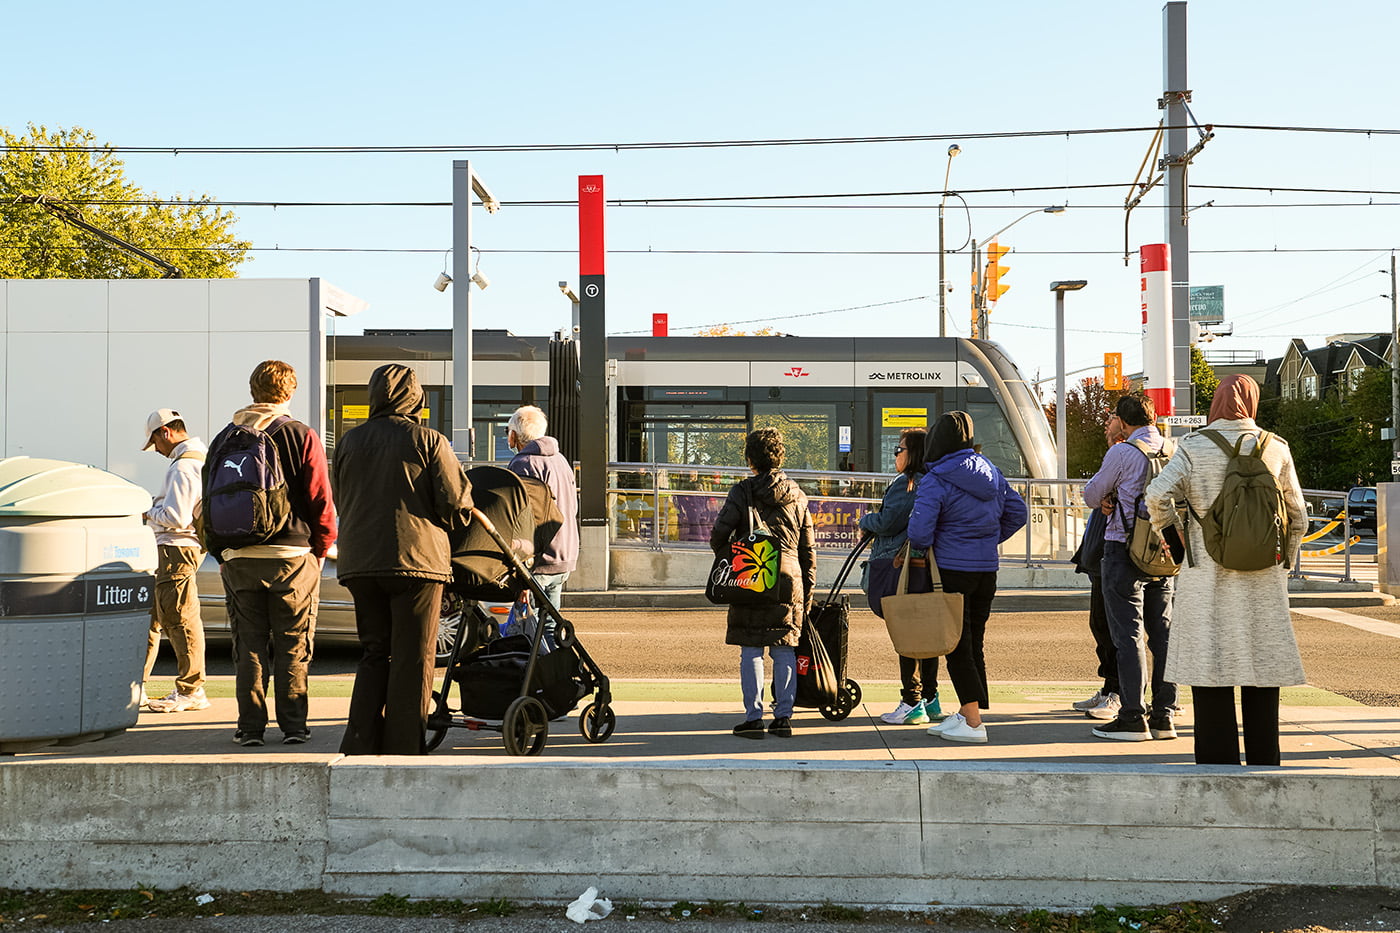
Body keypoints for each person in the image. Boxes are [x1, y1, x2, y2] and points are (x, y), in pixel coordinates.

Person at [1144, 374, 1307, 765]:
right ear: (1252, 402)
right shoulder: (1276, 449)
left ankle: (1217, 770)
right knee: (1262, 671)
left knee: (1210, 668)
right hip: (1264, 580)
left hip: (1207, 578)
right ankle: (1265, 765)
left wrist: (1178, 541)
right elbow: (1298, 517)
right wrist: (1283, 562)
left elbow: (1156, 494)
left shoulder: (1193, 447)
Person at [336, 364, 472, 756]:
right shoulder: (428, 439)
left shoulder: (349, 442)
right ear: (415, 396)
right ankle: (403, 745)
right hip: (416, 561)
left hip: (360, 561)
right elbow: (455, 505)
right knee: (413, 656)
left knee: (374, 651)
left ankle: (359, 741)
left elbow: (343, 496)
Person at [214, 360, 337, 747]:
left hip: (239, 556)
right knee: (293, 641)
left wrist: (224, 552)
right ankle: (294, 727)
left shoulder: (225, 438)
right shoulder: (300, 434)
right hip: (291, 555)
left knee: (247, 643)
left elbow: (207, 500)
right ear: (290, 392)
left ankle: (250, 728)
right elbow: (320, 499)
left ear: (253, 390)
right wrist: (319, 549)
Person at [908, 412, 1028, 744]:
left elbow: (919, 532)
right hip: (986, 569)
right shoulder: (991, 471)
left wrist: (940, 542)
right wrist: (987, 539)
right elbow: (1018, 513)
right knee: (974, 642)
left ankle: (973, 722)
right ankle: (967, 712)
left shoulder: (936, 477)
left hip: (951, 569)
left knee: (956, 646)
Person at [1081, 395, 1178, 742]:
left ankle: (1133, 716)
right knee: (1163, 634)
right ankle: (1165, 715)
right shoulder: (1173, 450)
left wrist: (1109, 499)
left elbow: (1092, 495)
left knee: (1128, 635)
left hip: (1123, 548)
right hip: (1164, 549)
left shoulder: (1122, 453)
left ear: (1123, 421)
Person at [710, 428, 816, 739]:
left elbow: (718, 535)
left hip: (751, 574)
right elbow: (808, 551)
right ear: (780, 456)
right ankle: (783, 717)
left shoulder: (742, 492)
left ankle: (753, 718)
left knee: (751, 649)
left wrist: (735, 560)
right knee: (784, 648)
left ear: (750, 459)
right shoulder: (798, 495)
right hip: (788, 578)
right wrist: (807, 591)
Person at [859, 427, 945, 726]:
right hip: (925, 567)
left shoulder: (907, 484)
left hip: (899, 567)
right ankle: (931, 698)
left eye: (900, 449)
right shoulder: (934, 482)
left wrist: (865, 519)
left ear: (914, 454)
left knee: (907, 633)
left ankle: (911, 701)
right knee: (926, 634)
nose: (896, 454)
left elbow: (887, 521)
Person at [139, 408, 210, 713]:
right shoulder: (202, 458)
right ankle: (136, 686)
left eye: (156, 443)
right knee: (155, 620)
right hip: (182, 550)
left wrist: (147, 512)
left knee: (180, 620)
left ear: (165, 432)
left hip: (175, 550)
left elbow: (176, 517)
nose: (156, 450)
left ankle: (191, 690)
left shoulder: (182, 467)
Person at [1069, 412, 1127, 721]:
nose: (1106, 422)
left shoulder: (1125, 453)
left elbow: (1091, 493)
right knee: (1101, 624)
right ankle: (1109, 688)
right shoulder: (1117, 454)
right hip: (1101, 553)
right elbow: (1095, 493)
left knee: (1114, 627)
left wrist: (1102, 495)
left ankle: (1119, 692)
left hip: (1115, 552)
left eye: (1113, 418)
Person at [505, 405, 579, 611]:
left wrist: (522, 569)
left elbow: (524, 519)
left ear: (514, 434)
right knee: (549, 625)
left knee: (526, 626)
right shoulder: (560, 460)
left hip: (539, 560)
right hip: (564, 553)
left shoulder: (524, 463)